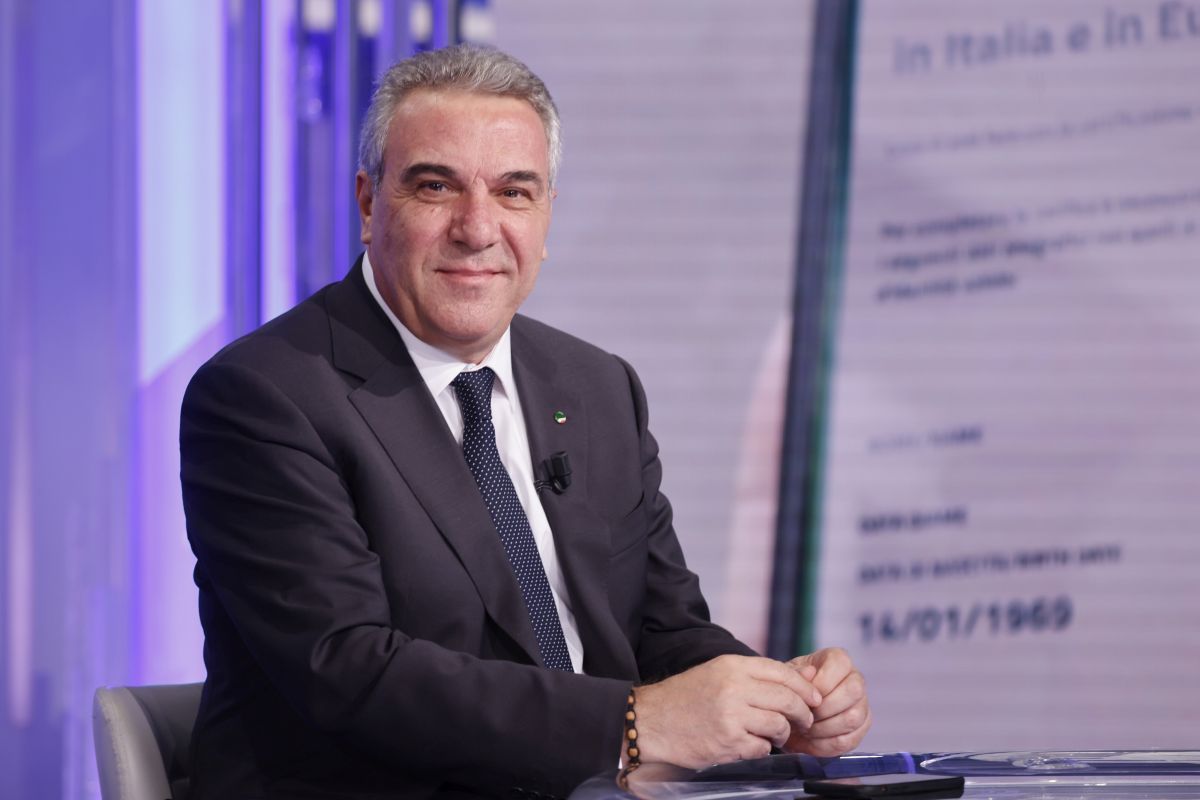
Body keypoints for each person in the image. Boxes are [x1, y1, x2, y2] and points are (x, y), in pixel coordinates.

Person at [181, 44, 869, 800]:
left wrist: (773, 701)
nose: (477, 229)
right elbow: (349, 671)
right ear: (370, 204)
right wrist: (633, 726)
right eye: (436, 187)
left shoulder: (597, 386)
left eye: (514, 192)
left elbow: (660, 628)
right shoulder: (264, 396)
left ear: (545, 218)